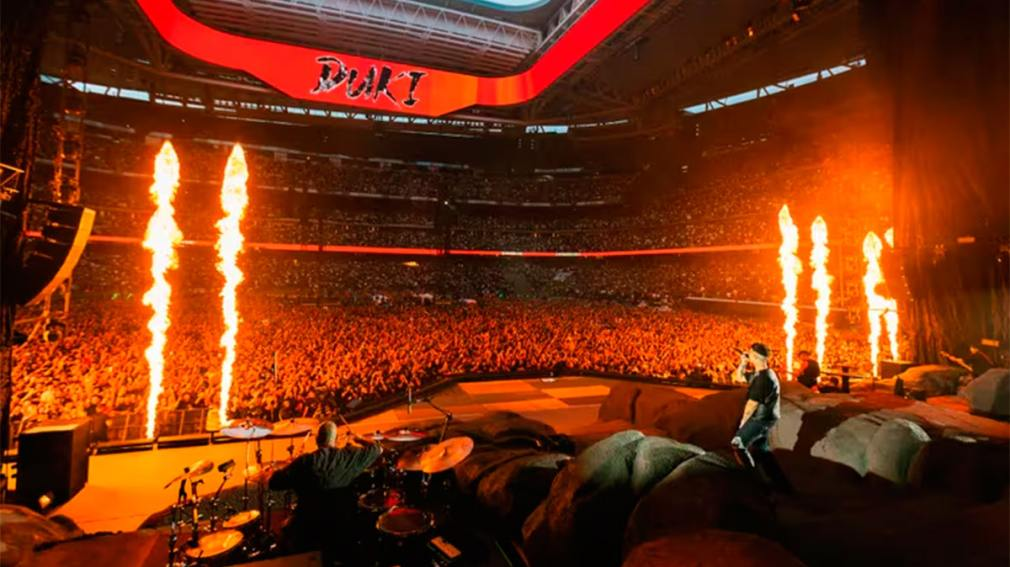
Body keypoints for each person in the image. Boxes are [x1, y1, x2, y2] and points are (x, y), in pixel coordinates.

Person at [269, 421, 381, 555]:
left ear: (317, 440)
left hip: (309, 525)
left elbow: (274, 483)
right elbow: (377, 448)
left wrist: (290, 464)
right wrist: (359, 438)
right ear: (336, 439)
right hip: (342, 524)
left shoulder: (305, 461)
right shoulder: (349, 456)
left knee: (285, 531)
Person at [731, 343, 793, 494]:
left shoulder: (763, 379)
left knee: (737, 443)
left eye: (750, 353)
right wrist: (743, 362)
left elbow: (751, 405)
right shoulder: (762, 373)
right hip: (767, 417)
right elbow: (737, 377)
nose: (748, 354)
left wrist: (743, 424)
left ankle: (755, 482)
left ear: (756, 356)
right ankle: (781, 484)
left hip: (761, 418)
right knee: (762, 450)